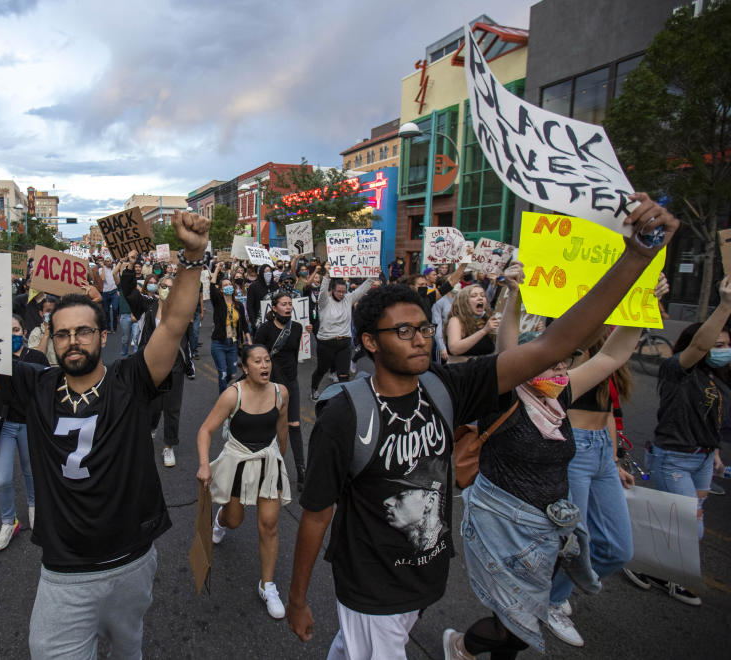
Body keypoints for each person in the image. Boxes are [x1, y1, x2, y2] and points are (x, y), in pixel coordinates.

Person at [285, 193, 678, 659]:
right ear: (370, 342)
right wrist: (297, 598)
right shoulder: (344, 415)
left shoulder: (446, 386)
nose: (420, 338)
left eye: (423, 328)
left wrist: (638, 255)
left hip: (425, 576)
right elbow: (316, 515)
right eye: (403, 331)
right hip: (370, 586)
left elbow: (555, 343)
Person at [0, 209, 210, 658]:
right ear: (52, 341)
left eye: (83, 331)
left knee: (127, 649)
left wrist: (193, 257)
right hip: (64, 570)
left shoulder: (130, 381)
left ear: (102, 335)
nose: (73, 341)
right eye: (62, 335)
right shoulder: (34, 384)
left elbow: (173, 323)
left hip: (130, 562)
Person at [444, 265, 655, 659]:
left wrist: (643, 307)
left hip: (547, 528)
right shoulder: (503, 395)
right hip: (501, 523)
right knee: (516, 623)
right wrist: (514, 298)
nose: (562, 369)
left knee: (518, 617)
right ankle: (461, 646)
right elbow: (507, 350)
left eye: (565, 364)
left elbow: (613, 355)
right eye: (553, 362)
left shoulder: (562, 395)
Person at [545, 274, 669, 647]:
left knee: (617, 548)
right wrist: (625, 291)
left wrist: (613, 459)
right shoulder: (569, 344)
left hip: (600, 450)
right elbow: (589, 347)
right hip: (575, 449)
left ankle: (553, 591)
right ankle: (550, 599)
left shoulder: (611, 350)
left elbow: (610, 407)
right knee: (572, 541)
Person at [623, 275, 731, 607]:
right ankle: (657, 569)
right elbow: (699, 346)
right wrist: (725, 303)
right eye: (716, 345)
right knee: (690, 527)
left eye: (726, 345)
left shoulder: (716, 377)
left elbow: (710, 419)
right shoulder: (676, 369)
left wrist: (712, 451)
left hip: (700, 462)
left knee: (676, 520)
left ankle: (663, 573)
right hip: (673, 459)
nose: (721, 350)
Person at [196, 344, 290, 619]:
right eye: (257, 361)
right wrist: (204, 465)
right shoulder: (232, 395)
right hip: (237, 461)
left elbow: (282, 430)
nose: (264, 366)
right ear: (245, 368)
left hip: (267, 461)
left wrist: (279, 461)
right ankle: (220, 520)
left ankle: (267, 585)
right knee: (234, 520)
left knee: (269, 525)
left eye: (267, 361)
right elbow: (205, 430)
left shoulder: (281, 393)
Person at [120, 254, 193, 468]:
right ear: (157, 288)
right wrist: (130, 265)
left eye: (172, 287)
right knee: (151, 404)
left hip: (174, 365)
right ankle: (150, 428)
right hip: (150, 364)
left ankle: (169, 446)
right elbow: (128, 291)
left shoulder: (180, 312)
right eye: (164, 286)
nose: (167, 290)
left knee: (172, 407)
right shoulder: (148, 305)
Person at [0, 314, 49, 552]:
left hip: (29, 423)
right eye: (7, 331)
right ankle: (8, 522)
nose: (12, 334)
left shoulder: (36, 357)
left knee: (31, 470)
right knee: (2, 479)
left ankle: (34, 508)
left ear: (23, 332)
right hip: (2, 424)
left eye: (15, 329)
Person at [255, 291, 306, 491]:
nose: (287, 307)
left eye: (289, 304)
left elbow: (294, 355)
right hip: (270, 384)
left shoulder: (298, 328)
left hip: (290, 383)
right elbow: (258, 357)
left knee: (294, 425)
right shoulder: (265, 330)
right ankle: (269, 469)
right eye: (283, 304)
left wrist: (291, 378)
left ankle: (302, 470)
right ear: (274, 308)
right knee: (271, 426)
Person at [310, 268, 376, 400]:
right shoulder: (324, 303)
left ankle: (344, 399)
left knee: (344, 375)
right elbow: (323, 292)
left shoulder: (348, 299)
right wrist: (327, 276)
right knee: (322, 369)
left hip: (344, 344)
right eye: (339, 292)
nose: (341, 294)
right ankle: (314, 389)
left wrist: (372, 275)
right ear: (332, 291)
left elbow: (362, 289)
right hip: (326, 343)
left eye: (343, 292)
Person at [209, 262, 252, 393]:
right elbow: (211, 286)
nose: (228, 286)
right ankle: (224, 397)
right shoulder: (219, 302)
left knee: (232, 373)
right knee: (222, 372)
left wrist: (249, 340)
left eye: (230, 285)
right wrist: (216, 269)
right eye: (225, 285)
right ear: (221, 290)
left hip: (233, 343)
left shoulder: (238, 305)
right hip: (219, 343)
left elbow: (244, 324)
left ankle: (227, 386)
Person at [446, 284, 499, 363]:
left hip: (485, 371)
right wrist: (484, 331)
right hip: (461, 371)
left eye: (483, 295)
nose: (480, 298)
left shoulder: (487, 320)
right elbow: (454, 349)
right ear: (464, 301)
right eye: (474, 296)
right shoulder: (456, 320)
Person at [27, 296, 60, 366]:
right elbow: (36, 359)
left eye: (54, 311)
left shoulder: (65, 330)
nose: (51, 314)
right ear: (41, 313)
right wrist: (46, 334)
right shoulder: (36, 332)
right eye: (48, 311)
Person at [247, 264, 277, 331]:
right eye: (265, 272)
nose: (268, 273)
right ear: (261, 273)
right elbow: (250, 306)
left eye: (269, 271)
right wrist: (253, 322)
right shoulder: (253, 287)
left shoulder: (275, 285)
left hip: (275, 322)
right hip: (259, 322)